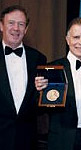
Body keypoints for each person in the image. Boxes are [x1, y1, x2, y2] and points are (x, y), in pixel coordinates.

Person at [35, 18, 81, 150]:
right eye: (76, 37)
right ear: (67, 40)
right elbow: (39, 109)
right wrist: (38, 92)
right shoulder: (51, 69)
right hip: (64, 141)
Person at [0, 5, 46, 150]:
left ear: (26, 29)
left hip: (28, 140)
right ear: (1, 26)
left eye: (21, 24)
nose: (16, 28)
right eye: (11, 23)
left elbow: (40, 104)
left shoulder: (38, 58)